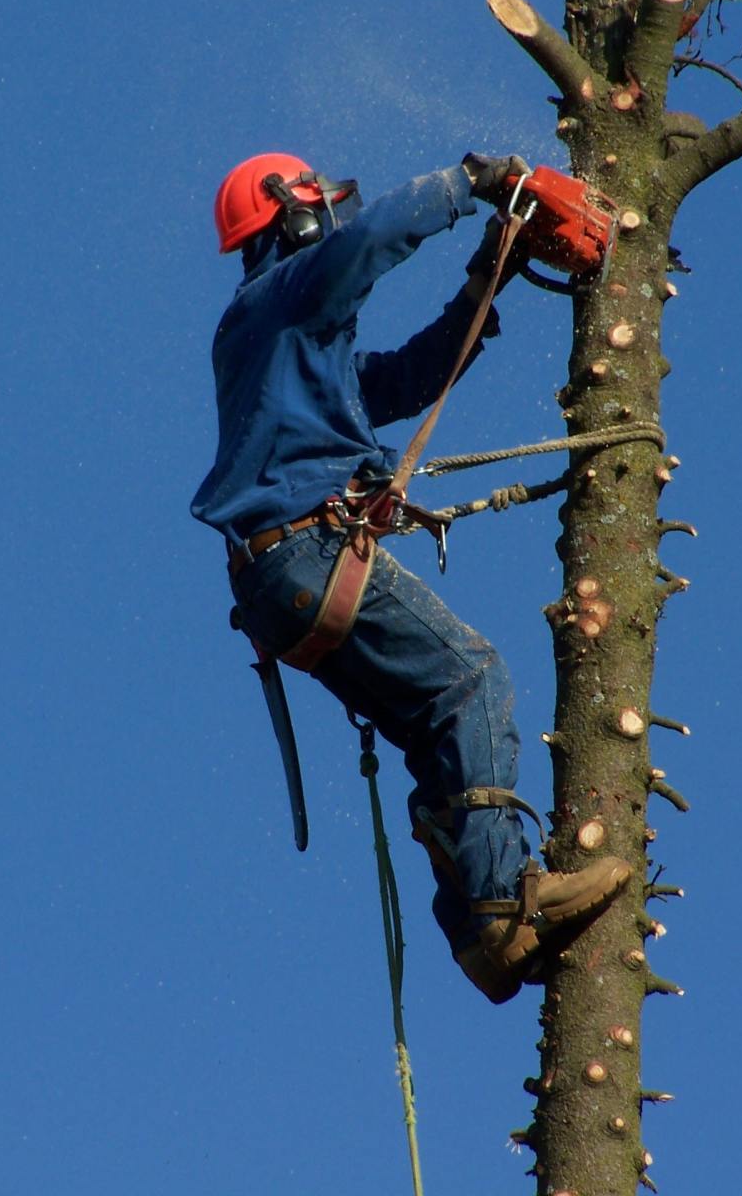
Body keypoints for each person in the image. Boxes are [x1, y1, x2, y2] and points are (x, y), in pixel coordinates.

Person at [192, 151, 631, 1003]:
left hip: (283, 579)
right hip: (305, 555)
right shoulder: (277, 302)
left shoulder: (287, 344)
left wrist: (485, 278)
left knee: (442, 724)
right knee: (470, 679)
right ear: (296, 214)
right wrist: (472, 180)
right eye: (323, 207)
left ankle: (482, 935)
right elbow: (368, 247)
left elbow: (404, 378)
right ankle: (505, 903)